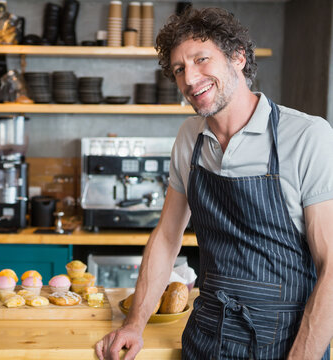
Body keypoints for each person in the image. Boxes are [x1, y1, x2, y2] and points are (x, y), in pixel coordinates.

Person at [95, 7, 333, 360]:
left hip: (282, 343)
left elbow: (331, 266)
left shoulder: (305, 136)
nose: (190, 78)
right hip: (206, 338)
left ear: (238, 57)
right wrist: (134, 323)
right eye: (179, 69)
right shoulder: (190, 137)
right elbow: (166, 237)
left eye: (201, 59)